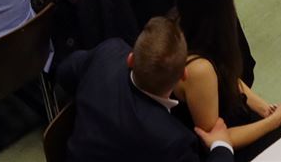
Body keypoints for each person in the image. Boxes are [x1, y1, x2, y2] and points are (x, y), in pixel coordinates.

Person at [58, 18, 237, 162]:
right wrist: (221, 146)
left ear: (130, 59)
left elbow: (64, 73)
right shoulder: (172, 140)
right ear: (183, 75)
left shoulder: (108, 52)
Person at [175, 0, 281, 158]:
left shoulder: (191, 27)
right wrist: (277, 120)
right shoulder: (198, 69)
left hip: (232, 116)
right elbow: (214, 140)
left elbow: (228, 76)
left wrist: (266, 108)